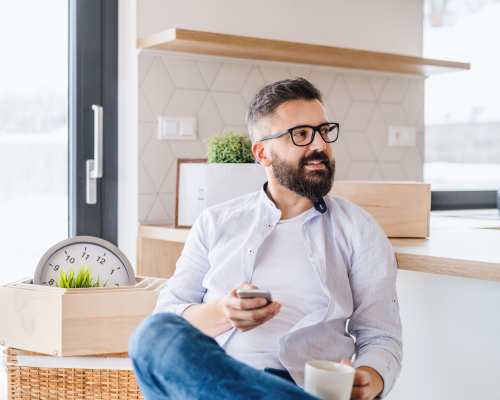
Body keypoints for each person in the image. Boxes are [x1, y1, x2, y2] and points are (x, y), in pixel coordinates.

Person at [129, 78, 402, 400]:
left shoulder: (358, 228)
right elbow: (169, 315)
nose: (319, 145)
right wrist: (222, 312)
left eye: (324, 131)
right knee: (152, 333)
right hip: (215, 380)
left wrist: (369, 378)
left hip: (303, 385)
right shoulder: (215, 222)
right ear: (262, 153)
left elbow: (381, 336)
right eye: (301, 134)